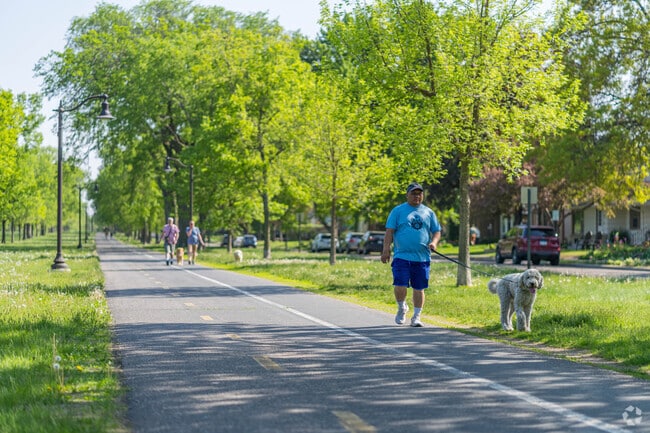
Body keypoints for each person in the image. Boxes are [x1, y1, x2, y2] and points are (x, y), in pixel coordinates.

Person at [381, 182, 441, 327]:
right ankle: (402, 307)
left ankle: (416, 317)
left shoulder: (428, 212)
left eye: (419, 193)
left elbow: (437, 231)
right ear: (407, 195)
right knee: (400, 284)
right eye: (413, 193)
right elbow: (389, 231)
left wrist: (434, 243)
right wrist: (386, 249)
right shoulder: (398, 211)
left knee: (419, 288)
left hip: (422, 257)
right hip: (401, 255)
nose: (417, 196)